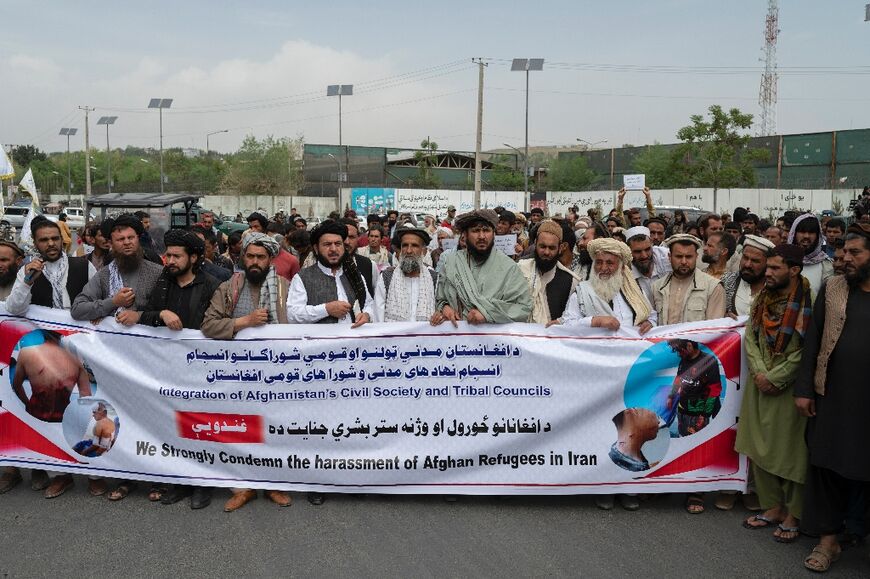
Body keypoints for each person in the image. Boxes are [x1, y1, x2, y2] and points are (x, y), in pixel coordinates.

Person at [793, 223, 870, 572]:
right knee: (827, 467)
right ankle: (828, 543)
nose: (846, 259)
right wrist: (805, 390)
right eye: (844, 252)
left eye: (856, 253)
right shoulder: (834, 288)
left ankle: (855, 531)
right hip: (834, 396)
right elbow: (813, 341)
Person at [200, 232, 292, 512]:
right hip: (236, 376)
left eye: (260, 257)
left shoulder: (286, 287)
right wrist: (244, 322)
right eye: (250, 256)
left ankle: (274, 484)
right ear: (242, 258)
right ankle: (242, 487)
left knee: (275, 429)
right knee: (240, 431)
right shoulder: (229, 287)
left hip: (277, 373)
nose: (254, 262)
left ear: (270, 259)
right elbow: (209, 325)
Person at [735, 244, 812, 544]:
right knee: (759, 447)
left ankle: (794, 514)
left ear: (794, 270)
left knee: (791, 453)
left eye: (775, 268)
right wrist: (758, 371)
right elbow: (751, 337)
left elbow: (807, 350)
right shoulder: (762, 300)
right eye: (768, 267)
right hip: (760, 381)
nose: (767, 273)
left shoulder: (809, 303)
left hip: (788, 387)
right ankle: (773, 507)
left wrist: (776, 377)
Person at [137, 230, 220, 509]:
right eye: (167, 255)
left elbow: (216, 325)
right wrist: (161, 314)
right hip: (167, 369)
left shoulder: (211, 285)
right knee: (173, 426)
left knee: (200, 427)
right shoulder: (163, 283)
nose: (169, 260)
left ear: (193, 258)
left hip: (202, 370)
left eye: (176, 256)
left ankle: (202, 484)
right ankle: (180, 481)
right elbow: (145, 315)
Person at [9, 330, 93, 498]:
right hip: (50, 417)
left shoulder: (28, 353)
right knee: (42, 441)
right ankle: (44, 471)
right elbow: (86, 397)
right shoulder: (75, 359)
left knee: (46, 439)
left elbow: (16, 385)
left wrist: (27, 404)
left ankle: (58, 475)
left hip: (45, 415)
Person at [430, 209, 531, 326]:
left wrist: (487, 314)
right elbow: (440, 298)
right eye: (476, 230)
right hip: (457, 338)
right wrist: (445, 308)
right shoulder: (450, 262)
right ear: (465, 235)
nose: (482, 236)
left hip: (492, 341)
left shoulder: (509, 268)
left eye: (486, 230)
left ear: (494, 234)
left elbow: (523, 308)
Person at [71, 215, 164, 326]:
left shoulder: (157, 272)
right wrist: (113, 302)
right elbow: (77, 310)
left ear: (138, 239)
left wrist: (139, 316)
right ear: (111, 244)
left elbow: (168, 312)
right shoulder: (104, 274)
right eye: (120, 239)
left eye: (131, 237)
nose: (127, 242)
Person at [557, 237, 656, 335]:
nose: (603, 268)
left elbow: (652, 315)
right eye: (599, 262)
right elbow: (567, 324)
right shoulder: (581, 292)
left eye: (610, 263)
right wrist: (595, 321)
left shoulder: (634, 289)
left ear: (621, 268)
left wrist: (649, 323)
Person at [287, 220, 374, 328]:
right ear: (316, 249)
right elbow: (293, 315)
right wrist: (326, 309)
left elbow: (368, 304)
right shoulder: (302, 278)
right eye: (327, 244)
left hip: (353, 342)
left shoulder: (355, 275)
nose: (333, 249)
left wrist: (366, 315)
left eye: (338, 244)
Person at [6, 217, 97, 317]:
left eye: (55, 238)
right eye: (44, 240)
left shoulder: (84, 266)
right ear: (35, 244)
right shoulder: (27, 271)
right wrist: (27, 283)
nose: (51, 244)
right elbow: (14, 310)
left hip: (79, 330)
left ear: (62, 240)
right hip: (41, 330)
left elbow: (99, 301)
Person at [652, 234, 725, 326]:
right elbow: (651, 322)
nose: (683, 262)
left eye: (689, 257)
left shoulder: (713, 287)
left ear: (696, 256)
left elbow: (714, 329)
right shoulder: (657, 287)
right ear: (669, 257)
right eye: (678, 256)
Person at [517, 220, 581, 325]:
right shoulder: (520, 269)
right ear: (535, 244)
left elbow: (572, 319)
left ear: (560, 248)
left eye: (551, 248)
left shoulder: (571, 281)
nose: (546, 252)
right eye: (542, 246)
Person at [372, 224, 437, 322]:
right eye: (405, 245)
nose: (409, 251)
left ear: (423, 251)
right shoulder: (387, 277)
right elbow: (378, 317)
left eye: (414, 246)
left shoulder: (434, 278)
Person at [721, 235, 775, 317]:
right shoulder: (725, 281)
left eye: (755, 261)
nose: (747, 265)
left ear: (768, 263)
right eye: (745, 258)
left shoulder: (776, 289)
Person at [787, 213, 833, 295]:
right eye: (802, 231)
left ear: (818, 236)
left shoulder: (826, 265)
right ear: (793, 234)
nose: (806, 236)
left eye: (811, 232)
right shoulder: (783, 260)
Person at [625, 226, 671, 306]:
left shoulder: (664, 256)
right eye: (638, 251)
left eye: (647, 249)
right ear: (628, 252)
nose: (644, 256)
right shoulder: (625, 271)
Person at [339, 218, 377, 298]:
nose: (347, 242)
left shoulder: (369, 266)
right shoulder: (323, 267)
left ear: (357, 238)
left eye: (351, 237)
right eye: (343, 236)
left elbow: (376, 298)